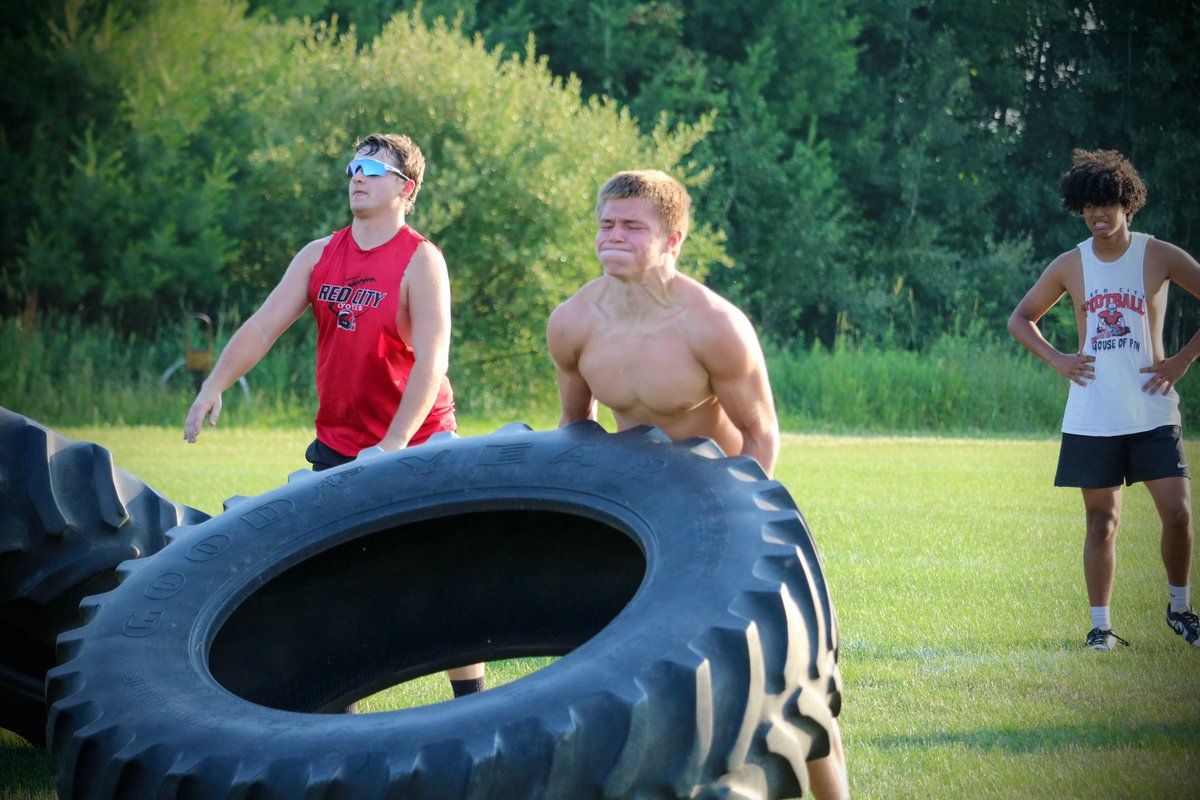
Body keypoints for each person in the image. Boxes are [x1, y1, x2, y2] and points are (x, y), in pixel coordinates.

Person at [547, 169, 849, 799]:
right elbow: (576, 427)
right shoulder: (574, 321)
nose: (614, 236)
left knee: (797, 687)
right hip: (640, 520)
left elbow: (762, 434)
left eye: (633, 226)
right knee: (626, 680)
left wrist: (739, 532)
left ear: (673, 238)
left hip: (729, 515)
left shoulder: (712, 324)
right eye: (606, 224)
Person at [184, 133, 486, 697]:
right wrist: (214, 385)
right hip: (340, 445)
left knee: (440, 578)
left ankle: (471, 710)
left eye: (374, 167)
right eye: (353, 165)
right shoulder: (320, 254)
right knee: (331, 582)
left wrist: (394, 445)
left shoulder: (421, 259)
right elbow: (263, 325)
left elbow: (433, 359)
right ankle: (331, 727)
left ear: (406, 188)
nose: (358, 175)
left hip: (418, 442)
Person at [1008, 148, 1200, 653]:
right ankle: (1100, 627)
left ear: (1127, 205)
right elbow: (1020, 319)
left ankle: (1180, 610)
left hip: (1151, 410)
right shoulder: (1071, 264)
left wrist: (1182, 359)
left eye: (1107, 204)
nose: (1097, 214)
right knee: (1102, 521)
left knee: (1178, 513)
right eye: (1089, 206)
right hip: (1093, 414)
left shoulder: (1157, 254)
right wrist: (1059, 359)